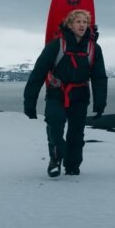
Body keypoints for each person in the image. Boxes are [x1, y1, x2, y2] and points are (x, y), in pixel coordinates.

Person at [23, 9, 108, 177]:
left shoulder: (94, 49)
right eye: (78, 21)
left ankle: (72, 167)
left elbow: (99, 78)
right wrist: (29, 102)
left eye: (85, 22)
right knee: (55, 125)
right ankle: (55, 159)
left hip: (80, 95)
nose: (82, 25)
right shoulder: (56, 45)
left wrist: (100, 103)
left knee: (76, 133)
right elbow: (38, 73)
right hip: (57, 93)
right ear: (69, 24)